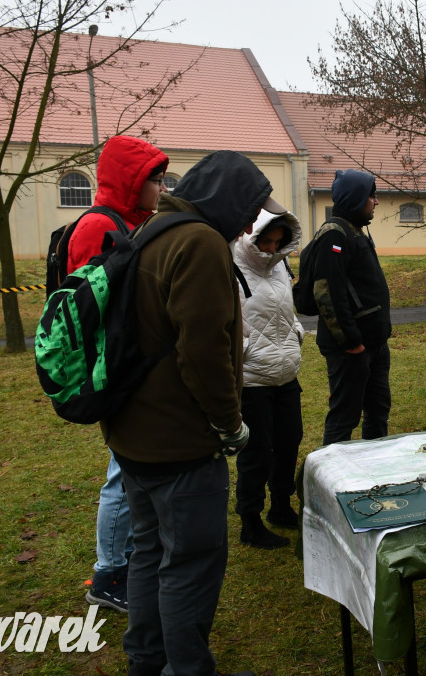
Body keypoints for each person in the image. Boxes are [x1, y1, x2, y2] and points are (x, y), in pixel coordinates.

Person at [103, 150, 282, 675]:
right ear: (225, 199)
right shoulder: (200, 242)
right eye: (249, 209)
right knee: (189, 565)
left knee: (149, 553)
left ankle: (146, 661)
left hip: (135, 433)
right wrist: (230, 425)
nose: (252, 223)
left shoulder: (154, 228)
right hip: (179, 442)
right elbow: (203, 353)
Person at [66, 135, 169, 614]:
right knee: (121, 473)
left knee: (129, 471)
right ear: (131, 180)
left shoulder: (133, 222)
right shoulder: (97, 226)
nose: (161, 184)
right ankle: (108, 574)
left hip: (131, 366)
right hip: (114, 369)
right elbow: (90, 306)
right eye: (154, 177)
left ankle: (128, 560)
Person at [232, 209, 305, 548]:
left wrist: (296, 333)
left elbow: (285, 310)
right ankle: (250, 521)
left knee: (289, 441)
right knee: (256, 452)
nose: (273, 248)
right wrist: (245, 349)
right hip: (253, 380)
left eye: (279, 242)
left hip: (285, 374)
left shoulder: (280, 267)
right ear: (252, 237)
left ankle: (280, 506)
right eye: (266, 241)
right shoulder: (230, 265)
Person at [311, 169, 392, 446]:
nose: (376, 202)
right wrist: (351, 342)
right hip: (351, 350)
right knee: (345, 417)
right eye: (372, 196)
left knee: (378, 412)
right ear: (356, 198)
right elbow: (327, 292)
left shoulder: (356, 231)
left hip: (375, 344)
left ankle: (377, 469)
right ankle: (331, 479)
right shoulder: (334, 235)